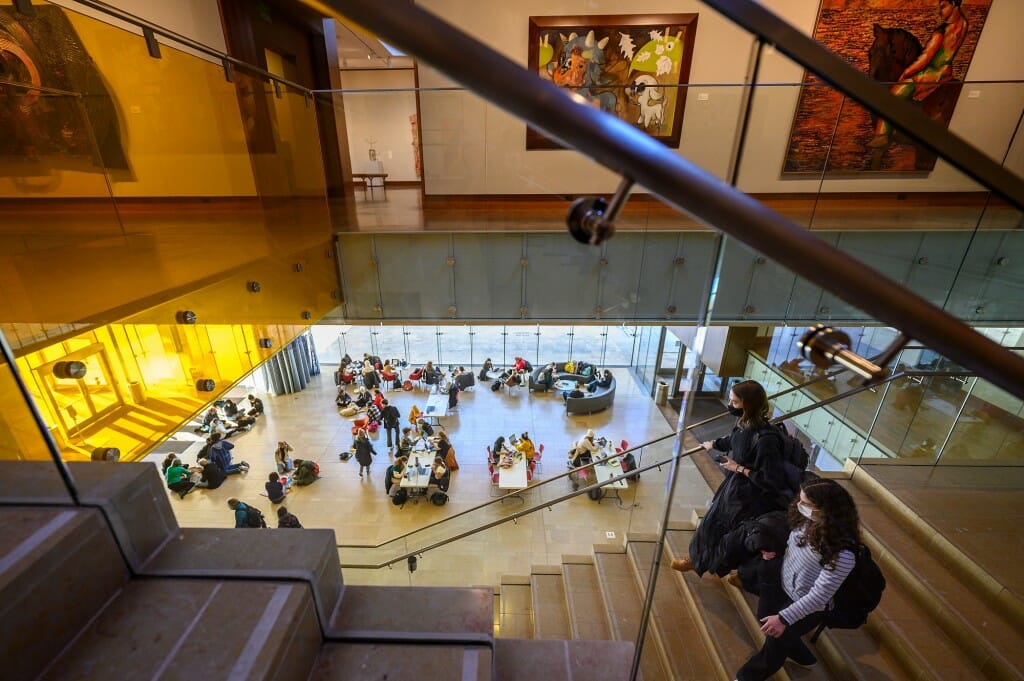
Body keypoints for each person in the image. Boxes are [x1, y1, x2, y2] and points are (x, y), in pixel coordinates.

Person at [734, 478, 860, 680]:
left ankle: (746, 676)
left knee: (773, 648)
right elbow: (794, 544)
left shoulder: (843, 553)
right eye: (800, 500)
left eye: (806, 504)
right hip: (781, 583)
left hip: (803, 602)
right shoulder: (808, 521)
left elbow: (819, 597)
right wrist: (777, 553)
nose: (800, 506)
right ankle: (803, 655)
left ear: (827, 510)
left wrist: (784, 618)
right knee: (765, 618)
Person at [672, 380, 789, 577]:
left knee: (731, 535)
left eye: (734, 402)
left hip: (748, 496)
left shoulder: (767, 440)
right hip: (734, 488)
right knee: (712, 523)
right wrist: (715, 444)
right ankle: (697, 559)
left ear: (747, 404)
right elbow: (734, 440)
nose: (729, 405)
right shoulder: (745, 423)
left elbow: (771, 479)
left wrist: (739, 468)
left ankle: (735, 573)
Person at [869, 0, 969, 149]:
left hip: (933, 73)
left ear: (953, 4)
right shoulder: (963, 24)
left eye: (943, 7)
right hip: (947, 71)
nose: (940, 11)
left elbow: (925, 58)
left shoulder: (939, 33)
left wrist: (906, 73)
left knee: (894, 94)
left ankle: (881, 136)